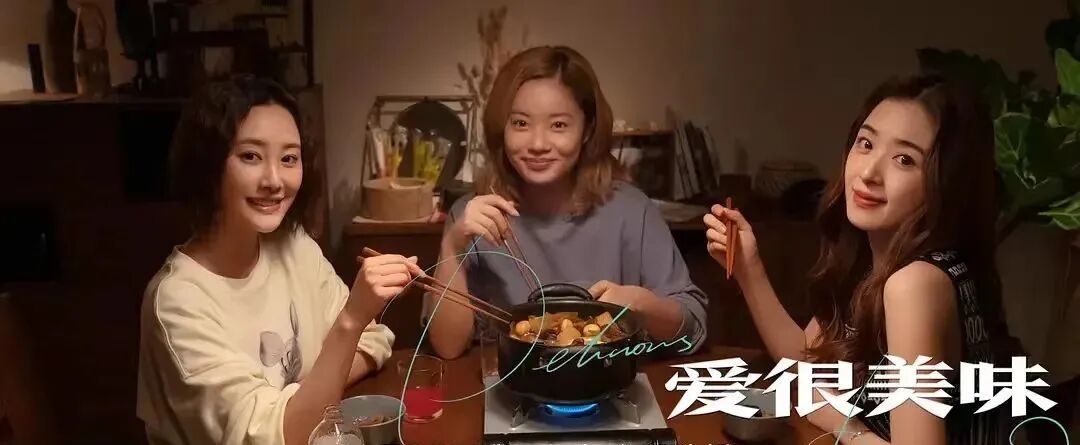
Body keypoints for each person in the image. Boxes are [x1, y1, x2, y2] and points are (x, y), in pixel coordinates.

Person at [705, 75, 1016, 444]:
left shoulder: (915, 284)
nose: (868, 173)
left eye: (904, 159)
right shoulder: (874, 257)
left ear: (946, 182)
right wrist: (749, 268)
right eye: (866, 143)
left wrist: (845, 424)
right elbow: (807, 367)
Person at [136, 76, 420, 445]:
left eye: (289, 159)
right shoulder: (177, 301)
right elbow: (274, 437)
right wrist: (350, 321)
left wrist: (304, 396)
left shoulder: (295, 247)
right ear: (208, 164)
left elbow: (374, 339)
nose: (274, 180)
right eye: (250, 156)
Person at [424, 45, 708, 359]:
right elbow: (448, 348)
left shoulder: (632, 210)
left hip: (610, 380)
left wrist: (640, 304)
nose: (538, 144)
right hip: (513, 382)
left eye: (558, 125)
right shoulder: (473, 216)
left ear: (587, 130)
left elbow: (692, 330)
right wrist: (452, 248)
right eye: (520, 123)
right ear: (501, 129)